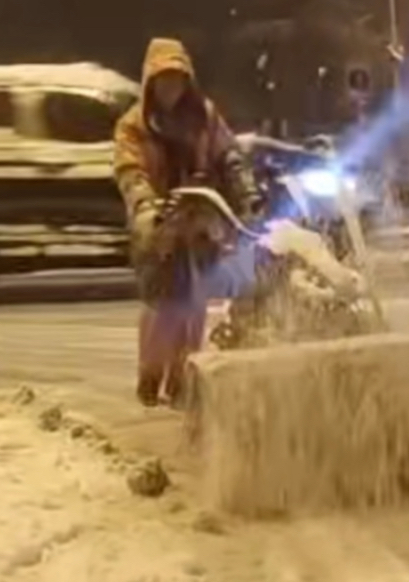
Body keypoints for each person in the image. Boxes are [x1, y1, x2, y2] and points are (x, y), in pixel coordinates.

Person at [113, 37, 257, 408]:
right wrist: (145, 205)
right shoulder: (134, 126)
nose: (170, 87)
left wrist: (245, 191)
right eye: (163, 79)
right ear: (150, 83)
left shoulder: (204, 117)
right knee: (162, 303)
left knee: (194, 302)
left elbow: (229, 155)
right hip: (159, 223)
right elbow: (131, 171)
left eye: (177, 79)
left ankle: (182, 378)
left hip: (200, 218)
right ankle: (150, 376)